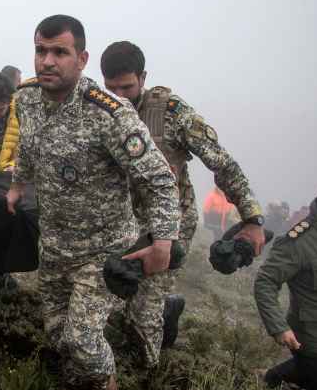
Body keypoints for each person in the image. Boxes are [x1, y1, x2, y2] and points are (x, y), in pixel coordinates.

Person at [6, 15, 179, 390]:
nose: (47, 61)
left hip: (103, 252)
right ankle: (79, 387)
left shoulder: (109, 114)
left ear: (81, 59)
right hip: (56, 245)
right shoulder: (26, 98)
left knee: (83, 339)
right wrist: (17, 183)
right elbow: (28, 144)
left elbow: (157, 178)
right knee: (57, 332)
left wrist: (164, 240)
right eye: (40, 50)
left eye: (59, 52)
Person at [101, 40, 265, 367]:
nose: (121, 95)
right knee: (112, 295)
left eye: (127, 87)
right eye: (112, 87)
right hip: (122, 220)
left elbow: (221, 163)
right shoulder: (101, 109)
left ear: (143, 77)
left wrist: (252, 218)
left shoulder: (171, 113)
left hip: (170, 224)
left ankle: (146, 378)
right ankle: (167, 307)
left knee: (143, 311)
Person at [255, 186, 317, 390]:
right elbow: (265, 282)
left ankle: (274, 376)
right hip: (314, 338)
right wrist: (279, 327)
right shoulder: (298, 241)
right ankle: (274, 380)